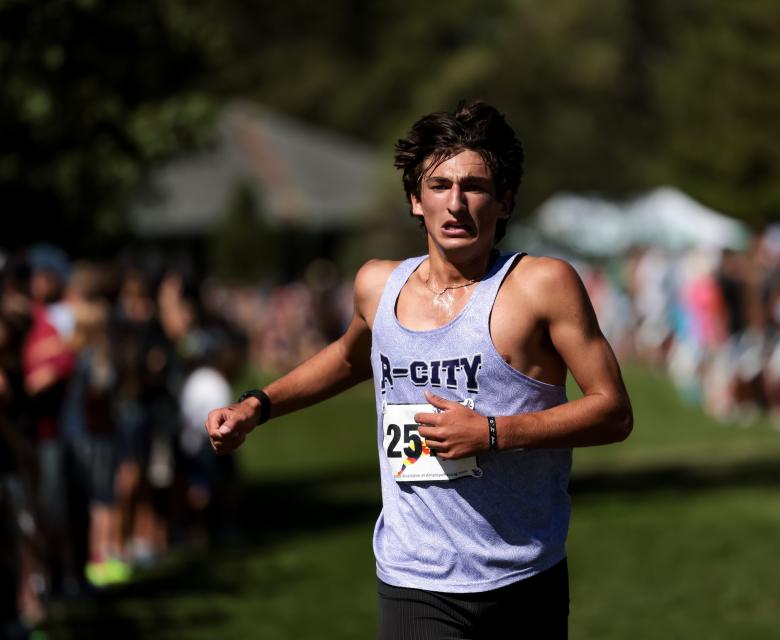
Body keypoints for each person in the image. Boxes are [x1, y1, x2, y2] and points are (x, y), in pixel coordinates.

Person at [204, 101, 633, 638]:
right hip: (415, 577)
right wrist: (257, 405)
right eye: (440, 185)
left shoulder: (541, 285)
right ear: (415, 198)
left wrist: (492, 433)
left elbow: (613, 412)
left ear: (505, 202)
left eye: (475, 187)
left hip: (523, 572)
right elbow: (346, 358)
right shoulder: (378, 286)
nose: (456, 204)